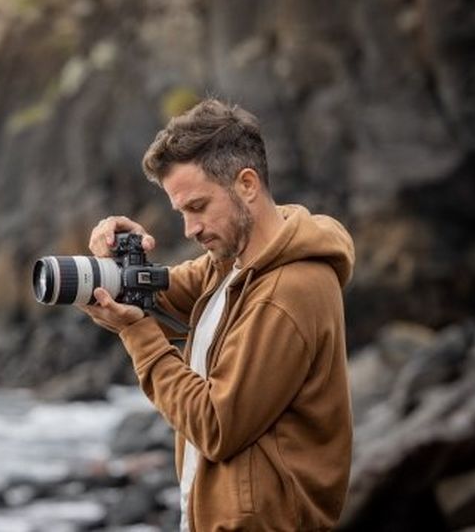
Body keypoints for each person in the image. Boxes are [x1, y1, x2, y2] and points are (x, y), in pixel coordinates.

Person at [80, 99, 355, 531]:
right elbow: (164, 289)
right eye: (182, 213)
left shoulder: (285, 293)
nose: (190, 230)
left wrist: (137, 335)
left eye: (198, 207)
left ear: (247, 184)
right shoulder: (234, 264)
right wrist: (112, 271)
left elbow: (216, 426)